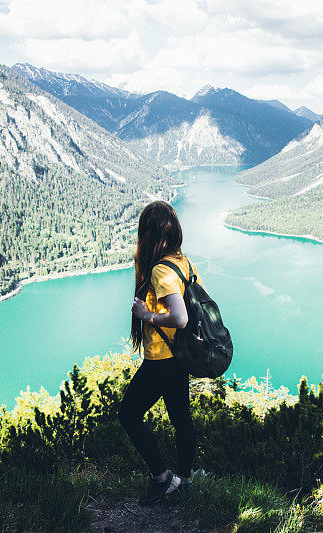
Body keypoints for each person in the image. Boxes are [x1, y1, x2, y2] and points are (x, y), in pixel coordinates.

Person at [119, 200, 203, 506]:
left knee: (128, 414)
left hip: (161, 360)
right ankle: (184, 480)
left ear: (148, 233)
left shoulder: (159, 270)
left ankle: (161, 477)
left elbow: (179, 318)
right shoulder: (183, 262)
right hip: (180, 357)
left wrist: (146, 316)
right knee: (181, 418)